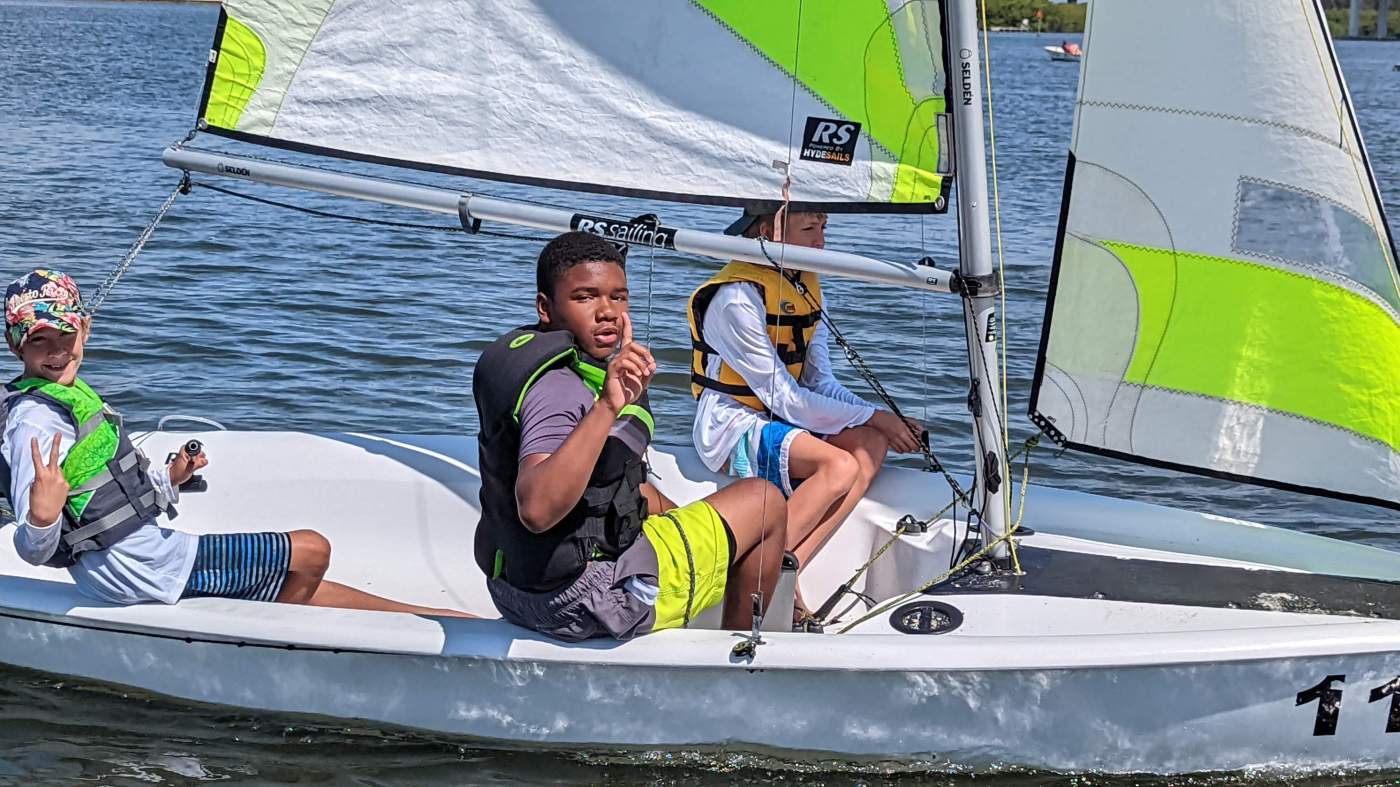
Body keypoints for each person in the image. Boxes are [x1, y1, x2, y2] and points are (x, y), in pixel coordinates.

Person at [2, 268, 469, 616]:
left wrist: (170, 479)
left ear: (85, 328)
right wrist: (43, 518)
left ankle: (426, 616)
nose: (58, 350)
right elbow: (34, 547)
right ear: (16, 345)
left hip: (143, 555)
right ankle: (279, 639)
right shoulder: (34, 423)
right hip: (139, 572)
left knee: (297, 573)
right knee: (311, 550)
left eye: (66, 333)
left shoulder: (66, 396)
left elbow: (100, 494)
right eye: (40, 340)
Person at [474, 231, 787, 641]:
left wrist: (676, 517)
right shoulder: (560, 389)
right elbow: (536, 508)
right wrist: (608, 406)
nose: (606, 311)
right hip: (593, 599)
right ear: (545, 308)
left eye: (618, 297)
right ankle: (742, 657)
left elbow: (613, 485)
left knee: (662, 505)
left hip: (519, 592)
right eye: (586, 297)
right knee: (765, 501)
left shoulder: (567, 367)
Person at [687, 209, 926, 620]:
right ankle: (759, 567)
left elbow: (819, 384)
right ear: (768, 232)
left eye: (824, 229)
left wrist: (877, 420)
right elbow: (787, 400)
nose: (821, 242)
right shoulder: (736, 298)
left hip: (784, 418)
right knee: (838, 466)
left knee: (869, 445)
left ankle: (786, 565)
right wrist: (876, 415)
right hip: (732, 423)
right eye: (809, 229)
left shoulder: (805, 287)